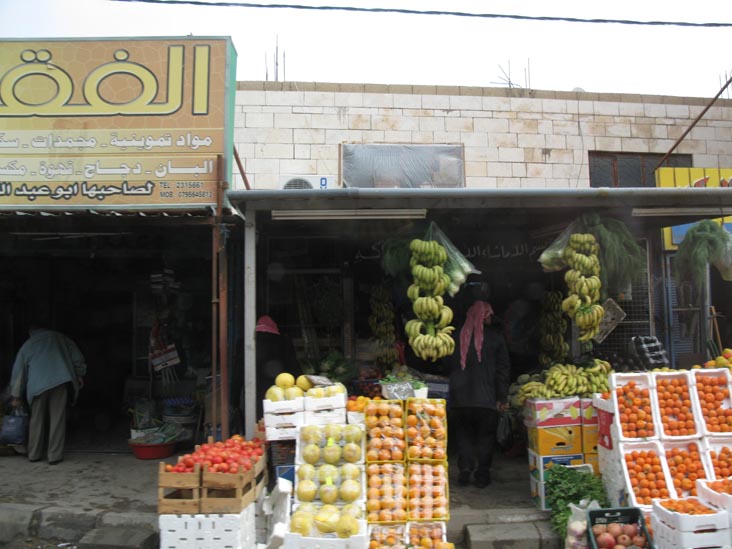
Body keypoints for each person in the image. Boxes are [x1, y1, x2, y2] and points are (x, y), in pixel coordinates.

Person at [448, 299, 511, 488]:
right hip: (486, 399)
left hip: (460, 399)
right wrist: (502, 397)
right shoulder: (496, 338)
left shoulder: (456, 336)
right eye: (490, 315)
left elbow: (446, 364)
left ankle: (465, 470)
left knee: (463, 436)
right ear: (485, 317)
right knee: (485, 438)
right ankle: (482, 475)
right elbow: (503, 370)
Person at [9, 322, 86, 465]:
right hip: (60, 381)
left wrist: (16, 395)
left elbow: (19, 372)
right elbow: (77, 358)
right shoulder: (61, 338)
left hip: (37, 386)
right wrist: (79, 374)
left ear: (32, 332)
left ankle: (34, 454)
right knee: (57, 419)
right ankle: (54, 456)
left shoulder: (29, 344)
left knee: (36, 419)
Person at [254, 315, 302, 417]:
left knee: (257, 423)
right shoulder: (283, 341)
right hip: (279, 392)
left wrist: (233, 401)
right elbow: (293, 366)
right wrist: (301, 386)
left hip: (254, 392)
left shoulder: (247, 343)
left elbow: (238, 372)